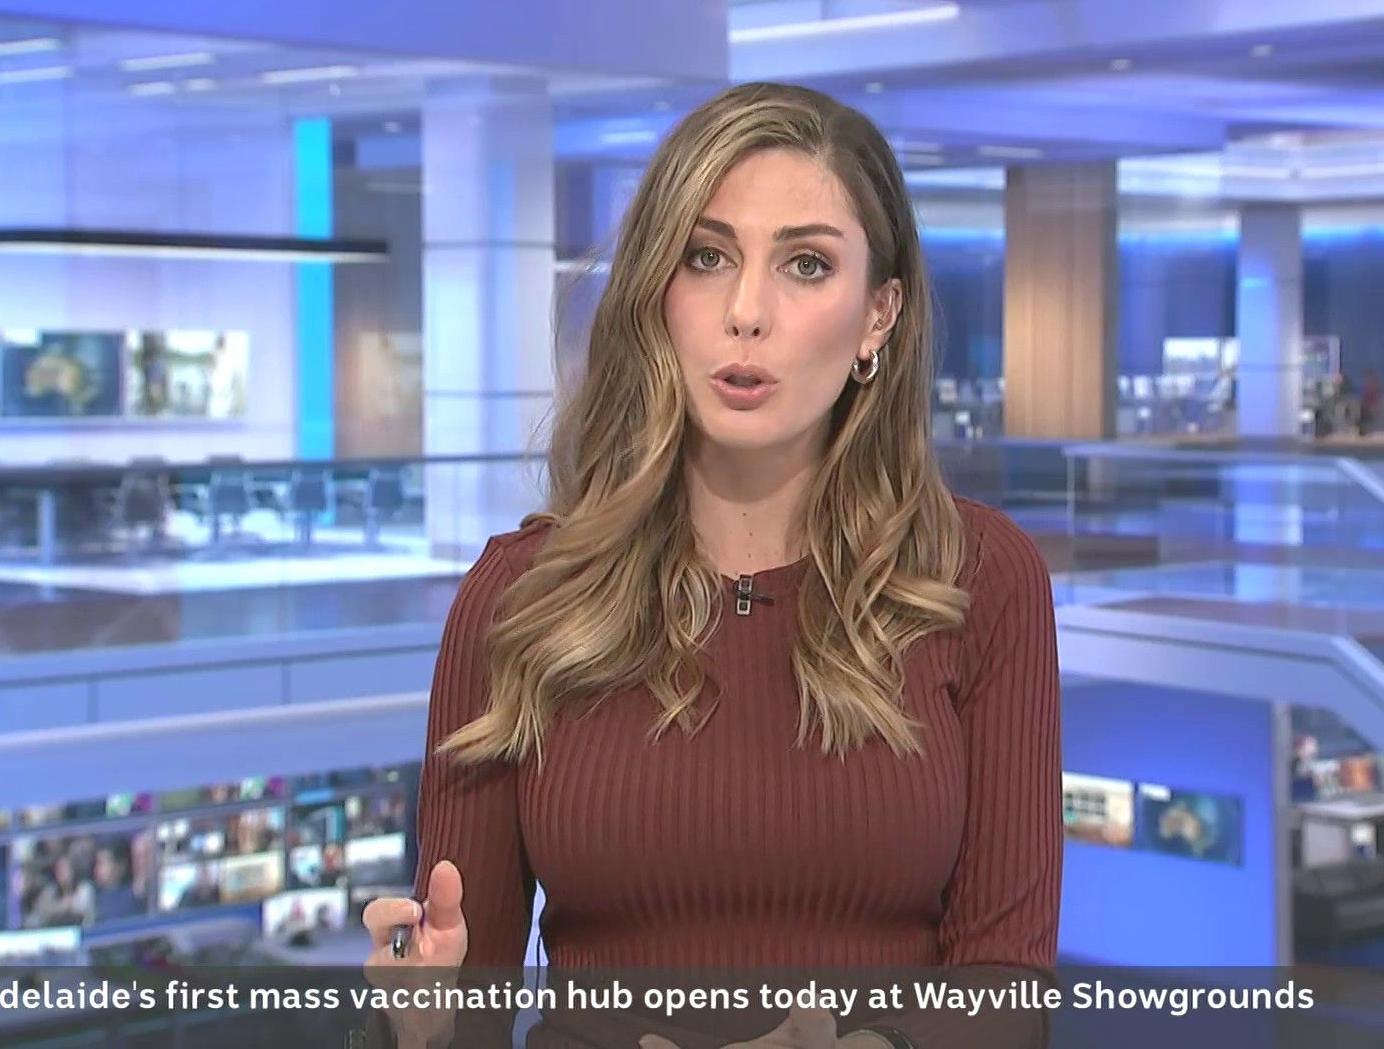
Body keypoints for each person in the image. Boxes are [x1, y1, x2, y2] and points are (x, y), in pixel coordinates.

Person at [361, 82, 1062, 1049]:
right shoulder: (519, 597)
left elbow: (1006, 993)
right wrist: (415, 1027)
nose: (746, 312)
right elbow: (461, 1008)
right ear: (658, 291)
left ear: (879, 315)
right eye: (707, 256)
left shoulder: (982, 580)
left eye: (806, 265)